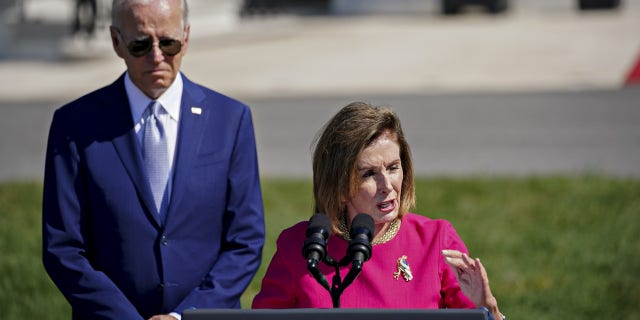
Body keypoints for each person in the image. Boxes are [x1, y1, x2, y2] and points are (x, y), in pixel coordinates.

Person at [42, 0, 265, 319]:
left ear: (186, 38)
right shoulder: (74, 126)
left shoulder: (230, 120)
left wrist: (184, 315)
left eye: (169, 42)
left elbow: (245, 239)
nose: (156, 56)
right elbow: (63, 247)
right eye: (140, 44)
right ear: (116, 42)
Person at [252, 102, 505, 320]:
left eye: (393, 168)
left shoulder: (435, 240)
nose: (387, 185)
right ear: (338, 186)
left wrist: (487, 306)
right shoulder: (300, 247)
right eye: (369, 174)